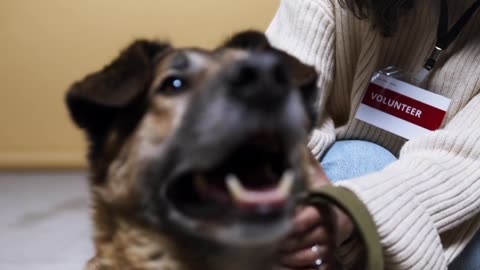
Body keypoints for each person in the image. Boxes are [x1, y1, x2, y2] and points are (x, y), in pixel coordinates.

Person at [265, 0, 480, 269]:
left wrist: (352, 208)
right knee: (357, 161)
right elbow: (276, 111)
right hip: (326, 178)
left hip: (447, 214)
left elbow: (463, 162)